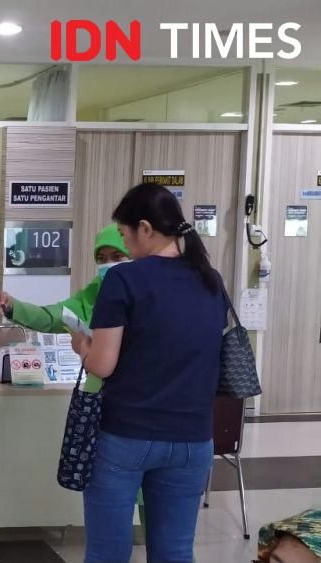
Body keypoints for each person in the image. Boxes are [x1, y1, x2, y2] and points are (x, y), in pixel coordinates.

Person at [71, 183, 226, 563]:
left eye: (124, 235)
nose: (124, 246)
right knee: (175, 552)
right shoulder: (211, 280)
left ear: (144, 228)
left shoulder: (124, 280)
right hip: (193, 439)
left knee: (107, 553)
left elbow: (102, 365)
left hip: (126, 436)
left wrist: (83, 346)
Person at [0, 223, 130, 393]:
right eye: (101, 258)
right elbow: (50, 317)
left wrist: (82, 346)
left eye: (117, 257)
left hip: (135, 395)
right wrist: (12, 305)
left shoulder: (144, 296)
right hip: (97, 396)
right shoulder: (93, 293)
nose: (108, 264)